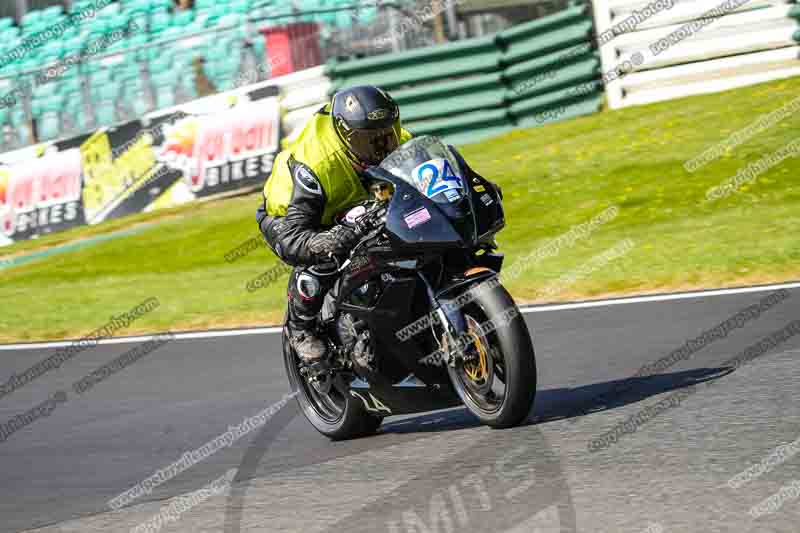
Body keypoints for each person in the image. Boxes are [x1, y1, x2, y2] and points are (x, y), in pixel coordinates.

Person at [256, 85, 413, 364]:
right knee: (327, 255)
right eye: (368, 140)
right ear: (344, 136)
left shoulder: (399, 142)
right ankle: (300, 328)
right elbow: (294, 237)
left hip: (354, 204)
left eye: (386, 133)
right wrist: (324, 241)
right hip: (291, 218)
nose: (380, 146)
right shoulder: (316, 165)